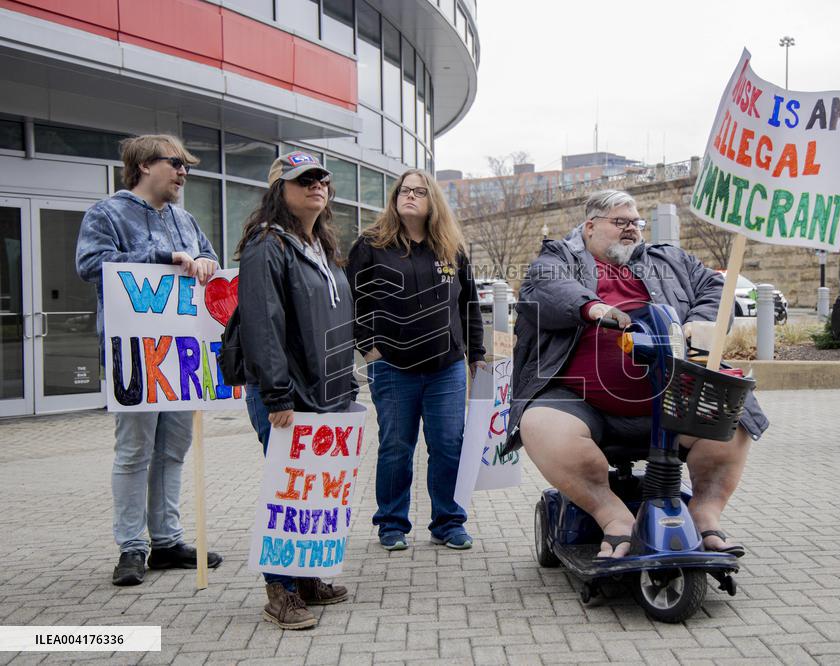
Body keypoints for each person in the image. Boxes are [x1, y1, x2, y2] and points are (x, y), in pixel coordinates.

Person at [506, 189, 769, 559]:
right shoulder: (559, 258)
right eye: (620, 222)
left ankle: (705, 514)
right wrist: (594, 308)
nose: (631, 229)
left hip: (675, 392)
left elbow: (716, 288)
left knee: (733, 416)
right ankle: (613, 516)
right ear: (591, 226)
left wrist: (700, 321)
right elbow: (544, 289)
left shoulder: (669, 259)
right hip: (581, 400)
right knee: (540, 425)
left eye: (635, 222)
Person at [76, 134, 223, 586]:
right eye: (175, 163)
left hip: (179, 357)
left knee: (173, 448)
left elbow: (210, 260)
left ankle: (166, 540)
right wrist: (162, 256)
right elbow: (91, 264)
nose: (182, 173)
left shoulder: (185, 218)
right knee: (135, 450)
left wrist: (204, 262)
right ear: (143, 165)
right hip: (134, 357)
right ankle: (131, 547)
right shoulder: (106, 213)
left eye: (186, 166)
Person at [235, 151, 356, 629]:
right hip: (287, 395)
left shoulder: (320, 248)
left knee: (314, 492)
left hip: (327, 392)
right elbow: (263, 326)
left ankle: (306, 579)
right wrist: (277, 395)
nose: (316, 186)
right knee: (286, 492)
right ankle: (280, 591)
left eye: (321, 179)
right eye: (303, 180)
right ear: (278, 190)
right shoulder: (267, 245)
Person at [347, 169, 485, 552]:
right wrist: (369, 349)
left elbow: (468, 304)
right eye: (404, 191)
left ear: (432, 201)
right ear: (395, 198)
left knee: (448, 445)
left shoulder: (450, 247)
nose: (409, 196)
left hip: (447, 368)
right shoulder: (371, 245)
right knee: (396, 445)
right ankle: (391, 523)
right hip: (392, 368)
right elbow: (353, 303)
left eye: (419, 192)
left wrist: (476, 355)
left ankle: (448, 521)